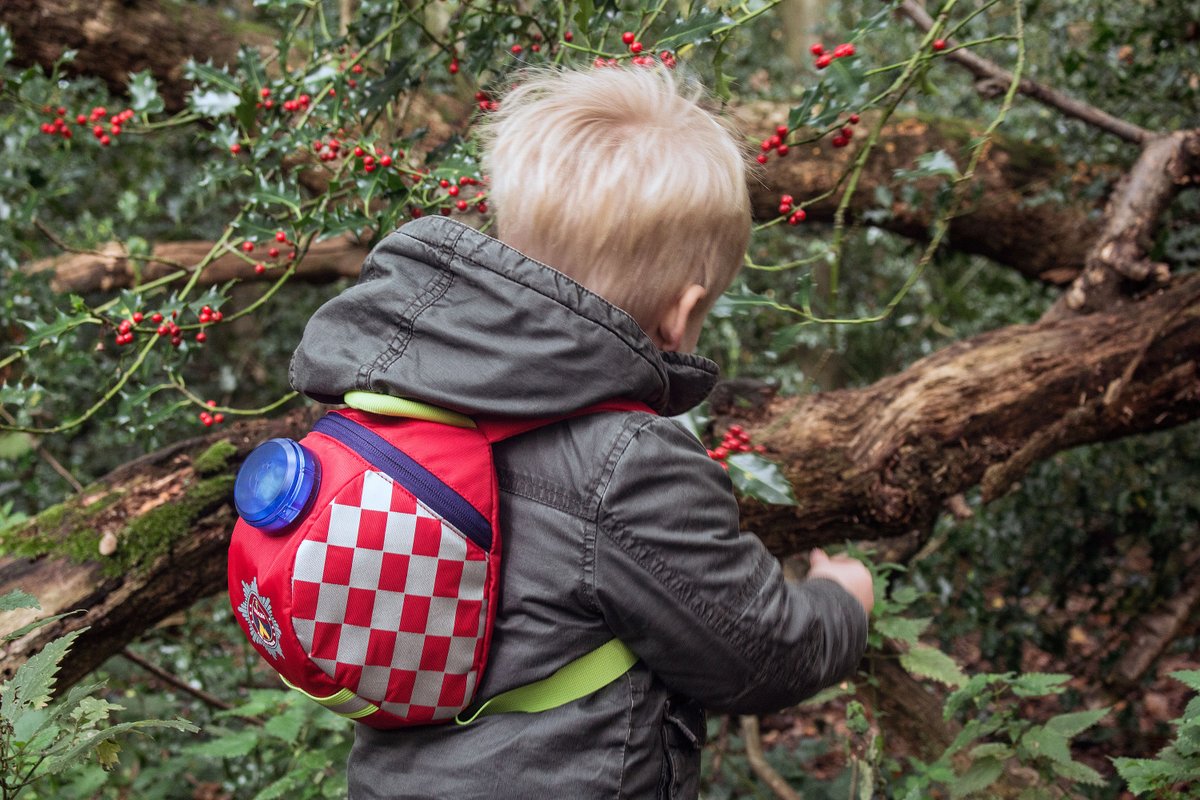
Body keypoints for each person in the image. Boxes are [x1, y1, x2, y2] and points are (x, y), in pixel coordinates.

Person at [288, 64, 874, 800]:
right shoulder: (626, 463)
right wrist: (841, 602)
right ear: (684, 312)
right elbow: (759, 653)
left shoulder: (394, 395)